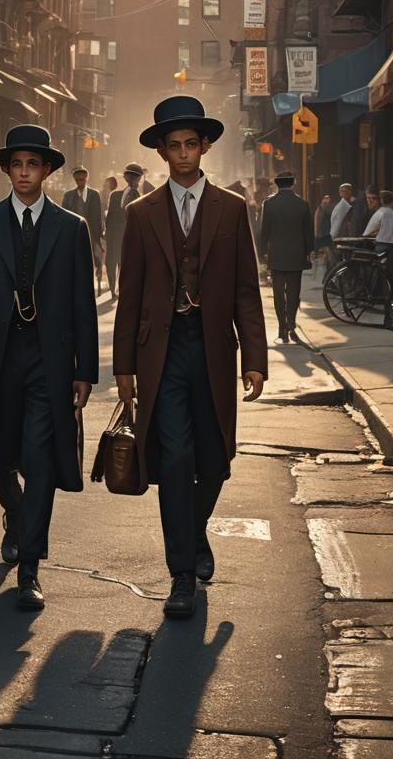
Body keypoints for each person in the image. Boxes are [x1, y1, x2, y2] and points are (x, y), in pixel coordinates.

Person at [113, 96, 267, 619]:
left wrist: (256, 357)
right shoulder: (140, 214)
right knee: (175, 459)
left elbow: (247, 288)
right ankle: (181, 572)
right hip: (160, 351)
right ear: (162, 151)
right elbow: (127, 295)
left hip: (214, 349)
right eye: (172, 146)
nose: (182, 154)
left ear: (205, 147)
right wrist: (123, 369)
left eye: (190, 145)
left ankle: (195, 530)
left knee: (217, 460)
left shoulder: (231, 207)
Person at [0, 126, 98, 610]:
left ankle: (31, 567)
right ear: (6, 170)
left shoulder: (70, 227)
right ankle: (15, 513)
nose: (23, 174)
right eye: (16, 165)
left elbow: (83, 302)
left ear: (47, 171)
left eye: (32, 165)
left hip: (49, 359)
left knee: (39, 459)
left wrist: (86, 371)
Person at [258, 172, 315, 344]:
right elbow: (308, 232)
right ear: (293, 184)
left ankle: (282, 327)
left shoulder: (269, 204)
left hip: (276, 254)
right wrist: (309, 250)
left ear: (276, 185)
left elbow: (264, 231)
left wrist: (262, 253)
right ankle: (291, 323)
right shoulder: (302, 204)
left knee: (278, 293)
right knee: (293, 292)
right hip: (296, 255)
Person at [61, 166, 104, 294]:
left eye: (82, 179)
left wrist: (100, 236)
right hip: (74, 235)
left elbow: (99, 216)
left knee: (96, 260)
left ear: (87, 179)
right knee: (76, 262)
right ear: (75, 179)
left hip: (92, 235)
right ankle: (78, 287)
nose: (80, 181)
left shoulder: (94, 194)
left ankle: (97, 283)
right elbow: (63, 216)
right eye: (78, 179)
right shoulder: (68, 196)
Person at [365, 188, 393, 297]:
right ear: (392, 202)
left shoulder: (380, 213)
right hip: (388, 245)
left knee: (378, 272)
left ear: (381, 201)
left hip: (380, 245)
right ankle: (391, 296)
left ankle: (375, 294)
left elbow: (368, 232)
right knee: (390, 273)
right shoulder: (391, 212)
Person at [104, 176, 127, 299]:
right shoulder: (114, 195)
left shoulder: (115, 195)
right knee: (114, 264)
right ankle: (115, 290)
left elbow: (111, 216)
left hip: (119, 236)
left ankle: (115, 290)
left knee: (116, 264)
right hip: (116, 235)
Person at [313, 194, 333, 283]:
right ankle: (327, 276)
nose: (326, 201)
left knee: (327, 257)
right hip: (322, 235)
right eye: (325, 199)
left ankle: (327, 275)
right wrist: (316, 235)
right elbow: (316, 222)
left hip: (327, 235)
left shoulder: (328, 210)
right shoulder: (320, 209)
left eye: (328, 199)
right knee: (327, 256)